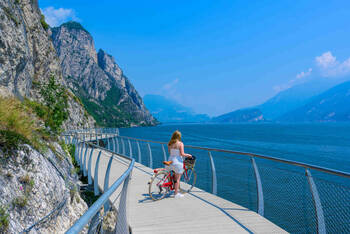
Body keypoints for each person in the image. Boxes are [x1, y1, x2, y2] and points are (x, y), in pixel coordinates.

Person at [166, 130, 192, 198]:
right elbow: (182, 154)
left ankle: (170, 189)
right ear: (179, 136)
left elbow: (170, 152)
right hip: (177, 162)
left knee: (172, 176)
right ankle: (176, 194)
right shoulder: (180, 144)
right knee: (177, 179)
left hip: (170, 161)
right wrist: (188, 155)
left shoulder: (169, 143)